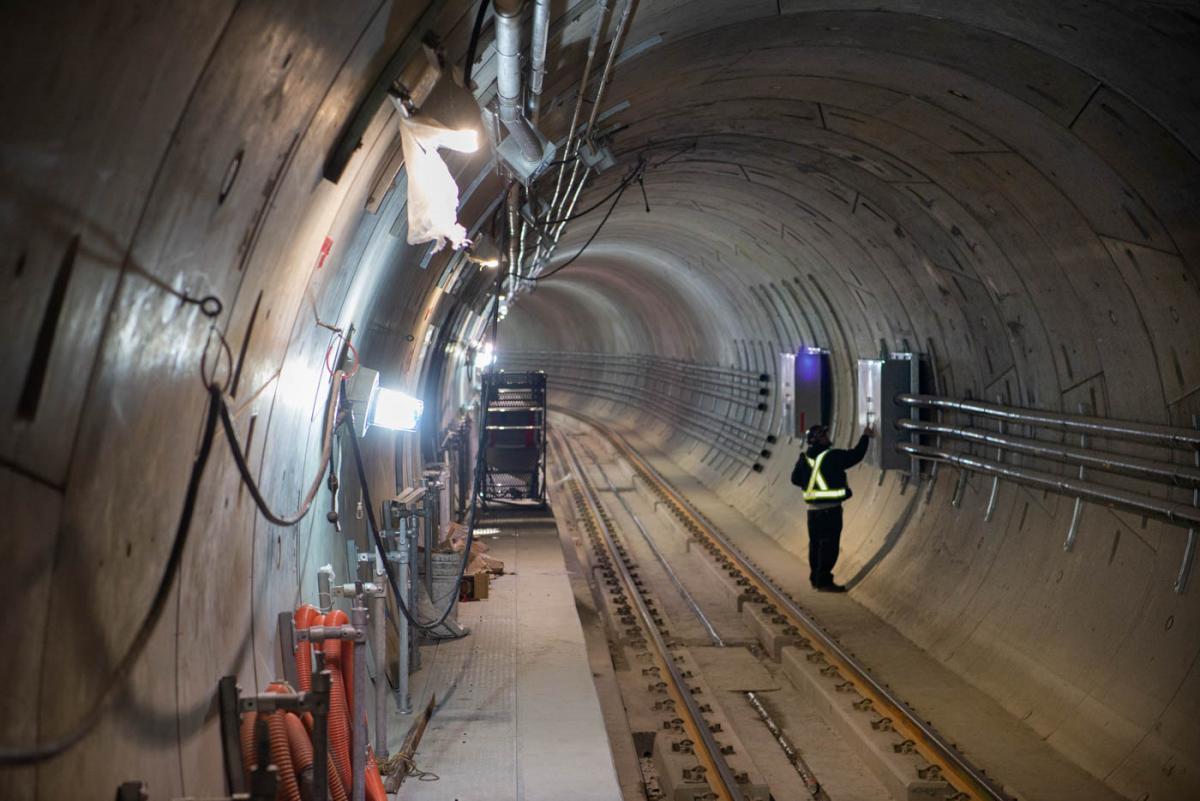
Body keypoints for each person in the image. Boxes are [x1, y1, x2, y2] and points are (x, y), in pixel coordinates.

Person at [791, 423, 875, 592]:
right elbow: (856, 455)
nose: (828, 438)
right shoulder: (832, 456)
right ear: (819, 439)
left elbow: (795, 479)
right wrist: (865, 436)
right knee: (829, 545)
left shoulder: (804, 459)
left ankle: (815, 578)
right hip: (830, 510)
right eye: (824, 435)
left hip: (812, 511)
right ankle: (824, 581)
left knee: (815, 545)